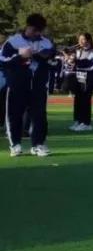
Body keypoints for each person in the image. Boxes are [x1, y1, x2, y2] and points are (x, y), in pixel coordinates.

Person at [1, 13, 55, 157]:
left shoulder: (47, 43)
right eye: (35, 30)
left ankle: (38, 144)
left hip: (38, 85)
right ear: (28, 27)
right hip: (17, 85)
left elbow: (52, 60)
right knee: (14, 114)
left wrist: (40, 56)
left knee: (39, 116)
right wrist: (20, 56)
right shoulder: (13, 41)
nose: (37, 34)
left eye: (40, 31)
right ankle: (15, 145)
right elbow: (3, 61)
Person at [70, 33, 93, 131]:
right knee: (78, 99)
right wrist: (70, 60)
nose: (80, 41)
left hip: (89, 78)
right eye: (80, 39)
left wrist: (76, 61)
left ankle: (86, 123)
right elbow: (76, 65)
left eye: (82, 39)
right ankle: (78, 120)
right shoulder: (79, 51)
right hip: (79, 77)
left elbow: (90, 65)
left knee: (85, 100)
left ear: (88, 40)